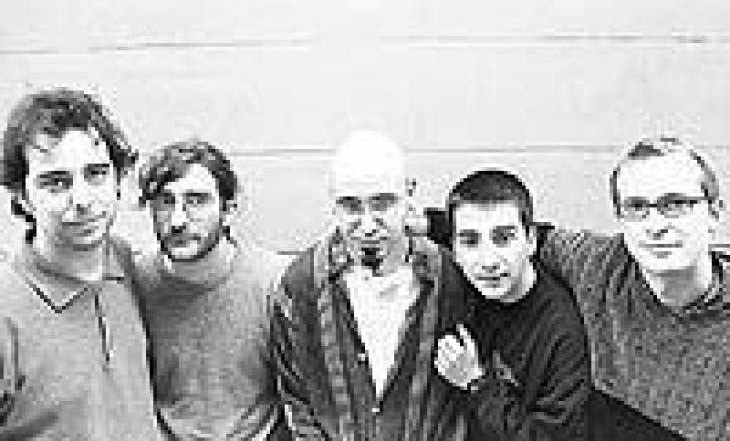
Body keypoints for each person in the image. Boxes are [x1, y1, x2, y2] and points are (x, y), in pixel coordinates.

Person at [269, 130, 467, 440]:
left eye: (382, 203)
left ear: (409, 193)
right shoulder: (301, 285)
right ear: (333, 203)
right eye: (351, 206)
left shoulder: (453, 278)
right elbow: (296, 400)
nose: (368, 225)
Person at [537, 136, 729, 440]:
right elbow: (522, 238)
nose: (655, 226)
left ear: (714, 214)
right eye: (637, 207)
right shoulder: (600, 264)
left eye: (675, 204)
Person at [0, 88, 161, 439]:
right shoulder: (6, 309)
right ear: (22, 197)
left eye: (96, 173)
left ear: (118, 179)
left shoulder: (124, 265)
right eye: (56, 183)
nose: (83, 199)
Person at [136, 139, 289, 440]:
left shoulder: (273, 283)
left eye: (196, 200)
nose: (178, 220)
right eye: (165, 201)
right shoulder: (133, 285)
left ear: (228, 211)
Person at [434, 169, 591, 440]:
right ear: (454, 250)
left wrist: (476, 383)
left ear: (531, 241)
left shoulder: (562, 331)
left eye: (503, 238)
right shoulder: (458, 284)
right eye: (470, 241)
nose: (488, 261)